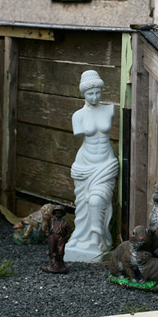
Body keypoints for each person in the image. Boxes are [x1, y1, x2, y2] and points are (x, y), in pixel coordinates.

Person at [63, 70, 119, 262]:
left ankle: (97, 237)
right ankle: (83, 238)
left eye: (97, 92)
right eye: (90, 93)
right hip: (84, 166)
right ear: (83, 94)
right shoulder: (78, 116)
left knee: (97, 201)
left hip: (105, 165)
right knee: (84, 205)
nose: (94, 97)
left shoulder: (109, 110)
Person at [41, 206, 73, 274]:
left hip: (60, 237)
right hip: (52, 236)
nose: (58, 214)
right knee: (52, 250)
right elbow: (47, 228)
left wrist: (66, 238)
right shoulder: (51, 221)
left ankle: (60, 264)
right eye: (57, 212)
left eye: (60, 213)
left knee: (60, 251)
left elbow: (69, 230)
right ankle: (53, 264)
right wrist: (48, 234)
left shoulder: (64, 222)